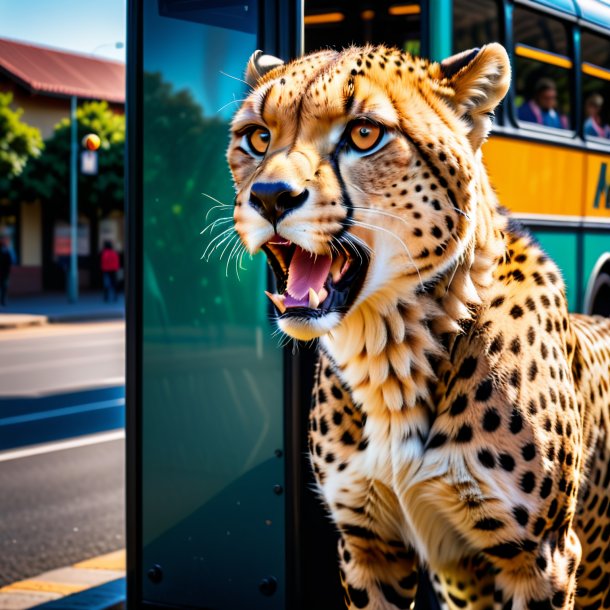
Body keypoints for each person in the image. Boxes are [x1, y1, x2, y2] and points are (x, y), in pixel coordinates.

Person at [0, 237, 12, 307]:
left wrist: (7, 272)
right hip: (3, 272)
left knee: (4, 287)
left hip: (4, 273)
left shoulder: (6, 250)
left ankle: (2, 301)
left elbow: (9, 261)